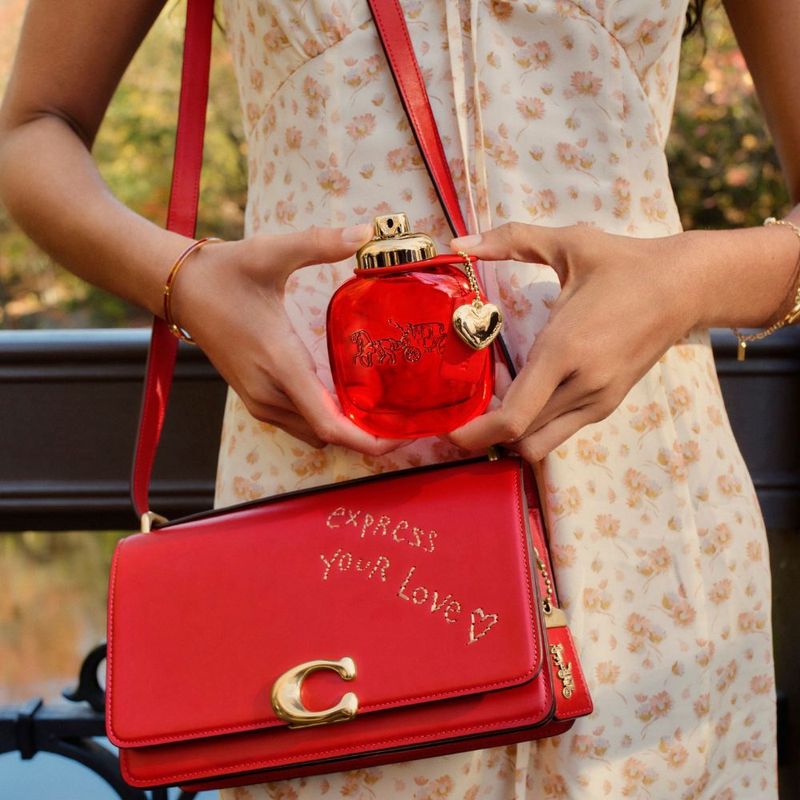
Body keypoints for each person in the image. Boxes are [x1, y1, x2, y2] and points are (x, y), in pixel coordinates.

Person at [0, 0, 795, 797]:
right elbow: (32, 129)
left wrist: (685, 283)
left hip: (646, 530)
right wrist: (183, 279)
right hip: (329, 513)